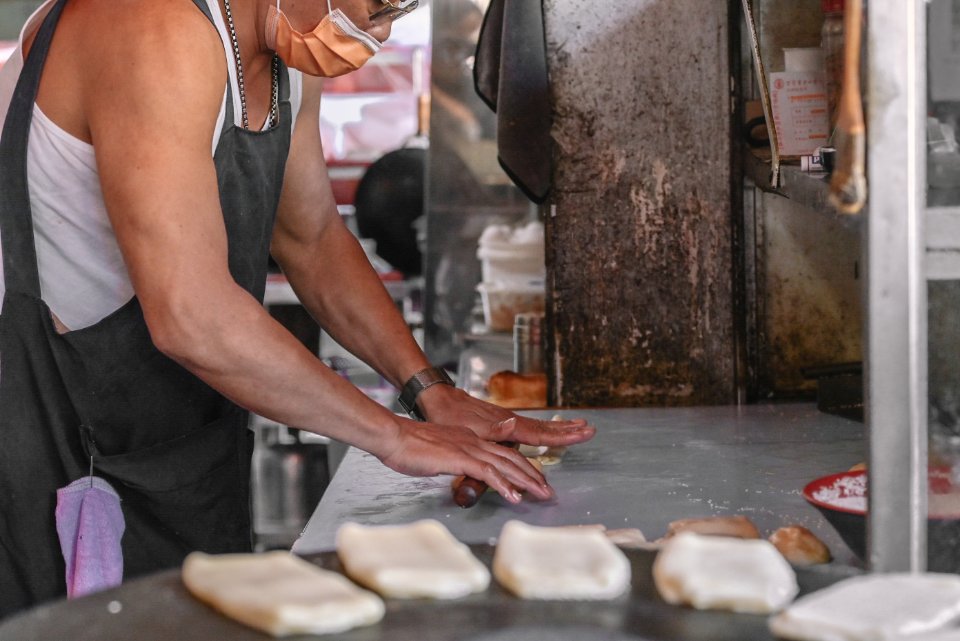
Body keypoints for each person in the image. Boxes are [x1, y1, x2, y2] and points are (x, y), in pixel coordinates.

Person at [0, 0, 595, 616]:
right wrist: (391, 435)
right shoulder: (152, 23)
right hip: (46, 444)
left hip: (168, 442)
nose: (377, 32)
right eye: (377, 4)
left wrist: (428, 390)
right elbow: (191, 315)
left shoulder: (281, 54)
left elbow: (311, 240)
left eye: (400, 10)